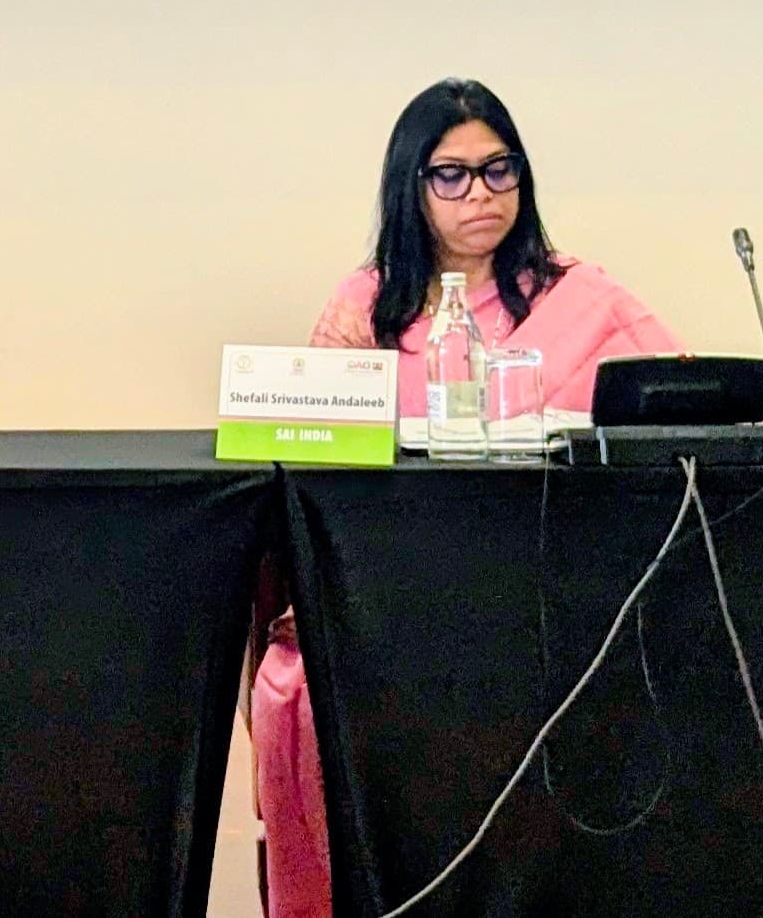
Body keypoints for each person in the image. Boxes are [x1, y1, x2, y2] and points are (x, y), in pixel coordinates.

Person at [252, 79, 681, 918]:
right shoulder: (365, 306)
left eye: (498, 169)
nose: (480, 193)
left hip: (547, 603)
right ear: (411, 188)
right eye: (451, 174)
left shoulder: (582, 297)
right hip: (395, 603)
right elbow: (306, 471)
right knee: (301, 683)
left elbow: (668, 414)